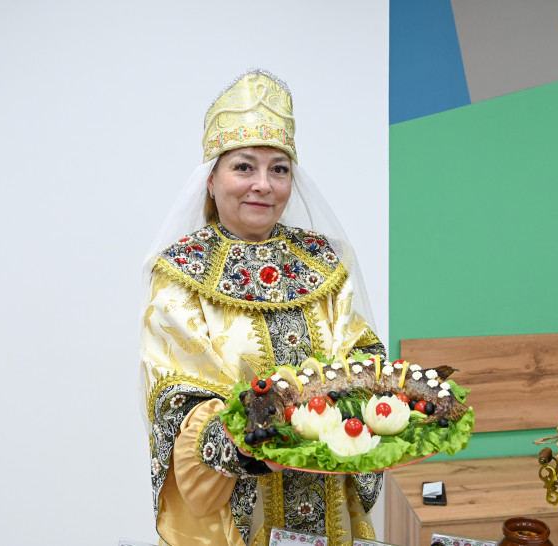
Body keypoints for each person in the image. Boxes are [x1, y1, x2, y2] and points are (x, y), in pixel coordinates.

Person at [140, 69, 386, 546]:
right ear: (211, 180)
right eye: (244, 167)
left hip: (329, 496)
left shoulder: (323, 260)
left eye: (279, 169)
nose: (263, 185)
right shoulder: (181, 272)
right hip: (240, 508)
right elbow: (176, 397)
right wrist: (255, 439)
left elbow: (361, 351)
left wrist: (366, 393)